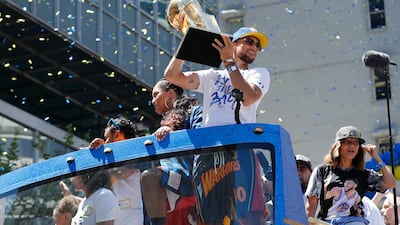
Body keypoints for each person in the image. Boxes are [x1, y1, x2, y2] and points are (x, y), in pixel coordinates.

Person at [164, 26, 270, 225]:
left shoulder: (259, 73)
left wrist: (229, 61)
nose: (254, 47)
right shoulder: (213, 76)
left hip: (239, 150)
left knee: (248, 217)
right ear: (233, 44)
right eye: (249, 41)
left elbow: (248, 97)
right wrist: (187, 43)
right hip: (209, 153)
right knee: (211, 219)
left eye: (257, 45)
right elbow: (171, 76)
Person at [305, 126, 396, 225]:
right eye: (348, 142)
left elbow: (391, 183)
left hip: (354, 222)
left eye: (356, 143)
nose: (352, 146)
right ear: (338, 146)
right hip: (327, 222)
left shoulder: (364, 175)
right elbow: (311, 204)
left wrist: (376, 157)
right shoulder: (322, 171)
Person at [141, 79, 202, 225]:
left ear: (171, 93)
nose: (153, 101)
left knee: (150, 177)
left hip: (191, 180)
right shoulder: (163, 125)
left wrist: (173, 133)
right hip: (173, 187)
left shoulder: (193, 113)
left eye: (156, 95)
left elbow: (201, 139)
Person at [62, 117, 145, 225]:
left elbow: (122, 173)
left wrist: (98, 157)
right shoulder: (112, 166)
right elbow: (95, 201)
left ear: (117, 135)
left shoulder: (139, 152)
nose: (105, 142)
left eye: (107, 138)